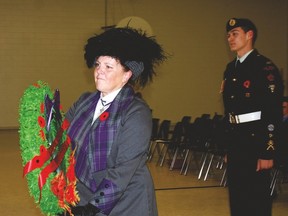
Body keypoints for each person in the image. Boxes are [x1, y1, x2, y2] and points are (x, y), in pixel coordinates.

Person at [64, 27, 166, 216]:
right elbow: (61, 136)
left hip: (126, 203)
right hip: (85, 196)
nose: (99, 71)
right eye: (97, 65)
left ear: (126, 75)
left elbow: (122, 172)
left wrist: (91, 209)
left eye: (108, 66)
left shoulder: (136, 112)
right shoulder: (84, 101)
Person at [221, 18, 283, 216]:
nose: (230, 38)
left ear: (249, 35)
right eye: (229, 34)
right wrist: (227, 146)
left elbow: (273, 112)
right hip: (236, 141)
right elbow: (229, 111)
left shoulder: (265, 68)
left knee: (256, 200)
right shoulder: (231, 69)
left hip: (255, 143)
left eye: (235, 33)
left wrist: (268, 151)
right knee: (237, 199)